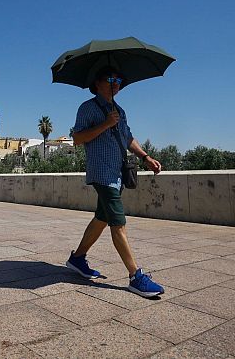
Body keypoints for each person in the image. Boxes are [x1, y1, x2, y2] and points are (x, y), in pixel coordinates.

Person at [66, 66, 165, 298]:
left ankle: (77, 259)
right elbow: (77, 138)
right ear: (97, 83)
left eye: (119, 80)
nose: (116, 83)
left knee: (102, 218)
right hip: (102, 173)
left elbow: (128, 137)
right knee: (118, 222)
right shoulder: (88, 108)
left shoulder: (119, 110)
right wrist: (105, 124)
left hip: (118, 172)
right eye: (110, 79)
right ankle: (135, 277)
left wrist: (146, 157)